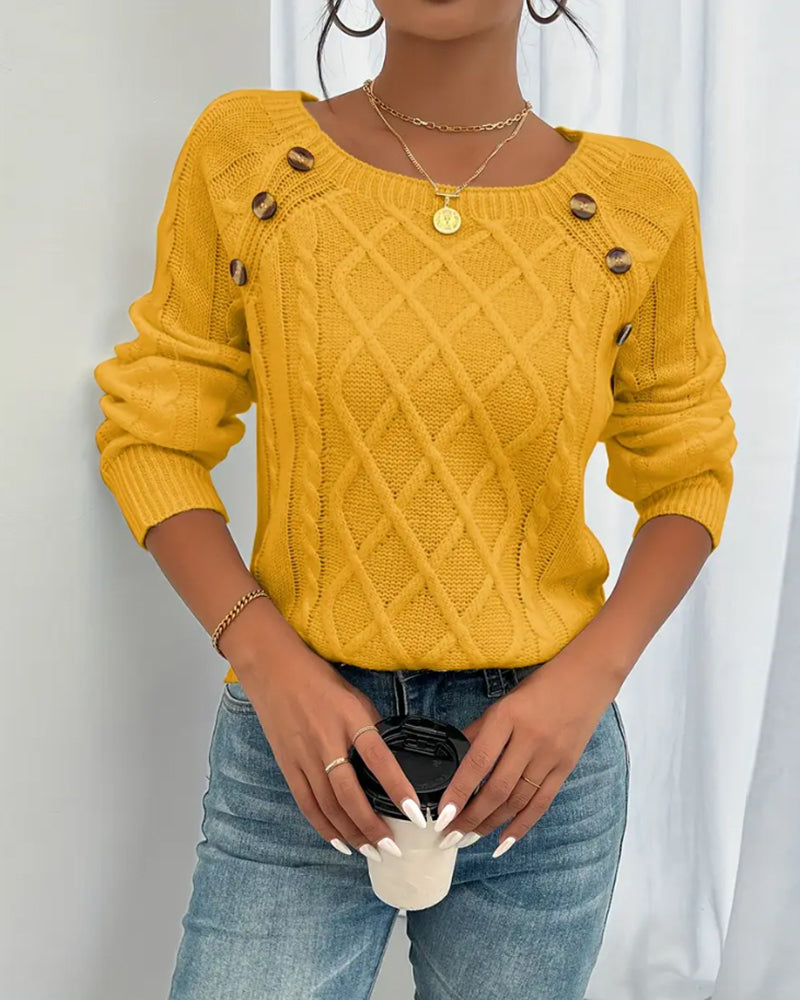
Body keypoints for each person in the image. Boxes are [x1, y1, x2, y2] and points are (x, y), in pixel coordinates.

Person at [92, 1, 737, 997]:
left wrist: (586, 682)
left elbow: (688, 467)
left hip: (538, 768)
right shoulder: (251, 158)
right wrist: (266, 661)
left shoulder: (636, 201)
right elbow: (155, 433)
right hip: (299, 753)